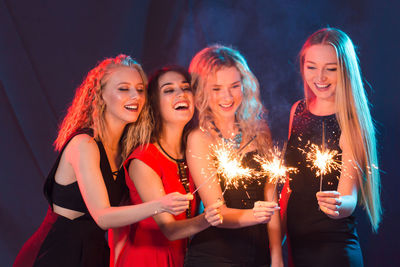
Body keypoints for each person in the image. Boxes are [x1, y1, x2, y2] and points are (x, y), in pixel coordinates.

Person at [14, 55, 192, 267]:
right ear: (101, 96)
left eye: (140, 89)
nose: (135, 96)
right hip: (56, 252)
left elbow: (119, 223)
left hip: (95, 253)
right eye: (124, 89)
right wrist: (160, 205)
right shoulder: (84, 144)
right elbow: (103, 216)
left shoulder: (126, 149)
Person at [281, 28, 382, 266]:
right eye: (312, 66)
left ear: (345, 70)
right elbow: (289, 182)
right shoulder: (298, 111)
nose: (320, 77)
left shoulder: (351, 121)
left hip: (333, 250)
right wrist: (278, 237)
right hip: (297, 244)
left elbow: (349, 198)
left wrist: (337, 204)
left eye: (331, 69)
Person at [184, 45, 283, 267]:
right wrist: (255, 215)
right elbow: (216, 212)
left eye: (234, 86)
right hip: (215, 256)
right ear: (201, 91)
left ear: (244, 86)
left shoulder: (260, 132)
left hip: (258, 254)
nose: (227, 96)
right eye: (216, 89)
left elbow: (271, 197)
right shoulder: (199, 138)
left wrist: (276, 256)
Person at [116, 66, 222, 267]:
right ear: (154, 104)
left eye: (185, 88)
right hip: (147, 261)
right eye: (169, 90)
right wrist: (209, 218)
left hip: (185, 259)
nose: (181, 94)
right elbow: (170, 229)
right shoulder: (144, 158)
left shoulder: (194, 151)